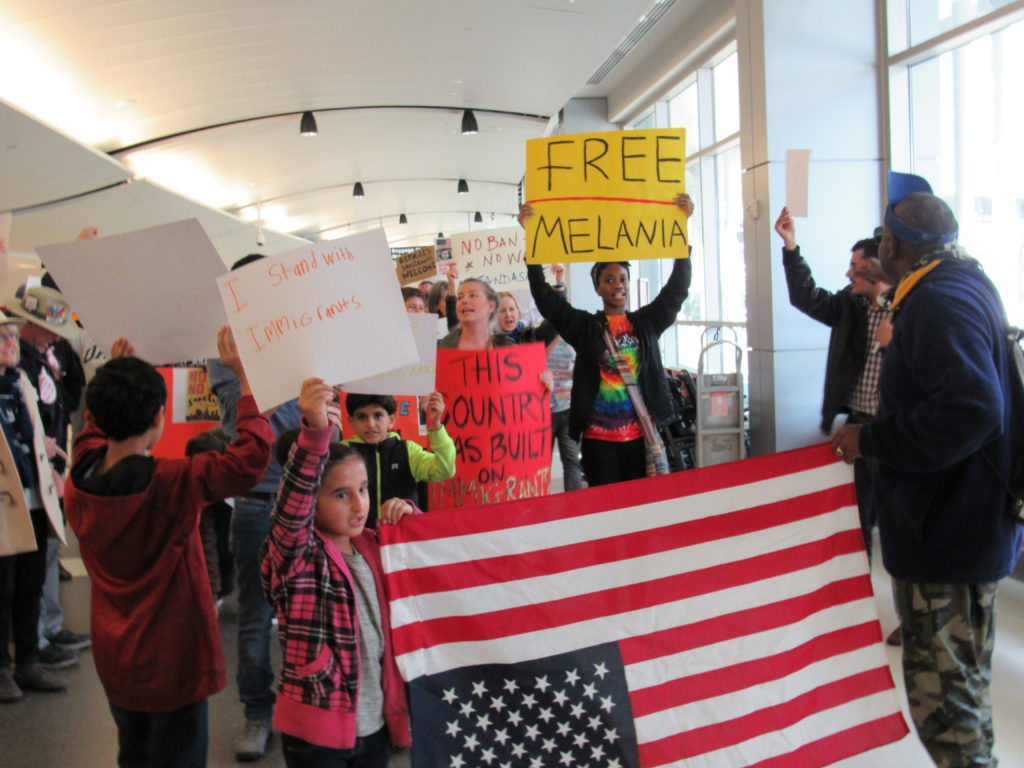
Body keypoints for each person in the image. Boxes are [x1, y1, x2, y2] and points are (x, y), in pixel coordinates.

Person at [832, 173, 1022, 768]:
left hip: (948, 536)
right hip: (962, 527)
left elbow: (971, 409)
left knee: (947, 710)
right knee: (962, 693)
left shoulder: (939, 301)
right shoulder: (963, 283)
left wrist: (870, 439)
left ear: (894, 245)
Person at [65, 330, 273, 768]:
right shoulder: (171, 482)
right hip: (175, 661)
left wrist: (117, 373)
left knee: (133, 753)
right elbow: (248, 460)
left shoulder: (80, 474)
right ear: (160, 416)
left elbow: (91, 430)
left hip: (116, 656)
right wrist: (246, 382)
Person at [261, 378, 412, 767]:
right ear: (310, 499)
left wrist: (410, 516)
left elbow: (422, 568)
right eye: (341, 495)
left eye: (363, 489)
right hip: (318, 731)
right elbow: (292, 505)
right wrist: (315, 430)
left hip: (375, 724)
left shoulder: (372, 545)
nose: (359, 504)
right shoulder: (298, 554)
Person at [520, 192, 694, 486]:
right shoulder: (586, 327)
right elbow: (548, 301)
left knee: (638, 504)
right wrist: (532, 242)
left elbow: (676, 290)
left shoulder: (646, 323)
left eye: (622, 278)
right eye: (609, 280)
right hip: (598, 441)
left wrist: (682, 230)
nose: (618, 285)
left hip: (640, 438)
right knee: (605, 504)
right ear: (598, 288)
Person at [207, 252, 304, 762]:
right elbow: (240, 423)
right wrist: (258, 381)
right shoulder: (224, 347)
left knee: (309, 612)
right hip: (257, 499)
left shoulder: (302, 335)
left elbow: (315, 416)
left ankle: (304, 708)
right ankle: (257, 712)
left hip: (307, 493)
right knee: (255, 614)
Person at [774, 208, 890, 558]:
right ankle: (860, 580)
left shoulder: (908, 312)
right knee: (857, 517)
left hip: (893, 428)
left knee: (898, 515)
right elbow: (806, 297)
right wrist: (791, 247)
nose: (848, 273)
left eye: (856, 266)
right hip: (857, 426)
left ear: (878, 267)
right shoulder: (851, 305)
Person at [6, 284, 89, 670]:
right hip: (22, 480)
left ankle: (40, 639)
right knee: (21, 572)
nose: (56, 337)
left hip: (45, 473)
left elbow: (62, 400)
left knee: (41, 561)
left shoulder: (45, 357)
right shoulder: (18, 366)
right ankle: (31, 644)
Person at [0, 309, 68, 701]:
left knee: (30, 583)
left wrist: (50, 463)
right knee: (2, 587)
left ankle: (28, 661)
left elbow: (36, 430)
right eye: (2, 337)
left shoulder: (20, 381)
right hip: (5, 502)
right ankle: (1, 668)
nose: (11, 343)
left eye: (13, 336)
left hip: (34, 496)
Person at [340, 392, 455, 529]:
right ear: (351, 421)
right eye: (362, 417)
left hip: (403, 537)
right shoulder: (343, 452)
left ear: (391, 419)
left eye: (378, 415)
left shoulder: (408, 450)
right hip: (356, 537)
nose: (370, 424)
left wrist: (436, 425)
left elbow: (445, 470)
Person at [438, 278, 513, 349]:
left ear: (491, 306)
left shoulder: (508, 347)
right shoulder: (443, 349)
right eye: (460, 297)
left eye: (472, 295)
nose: (464, 301)